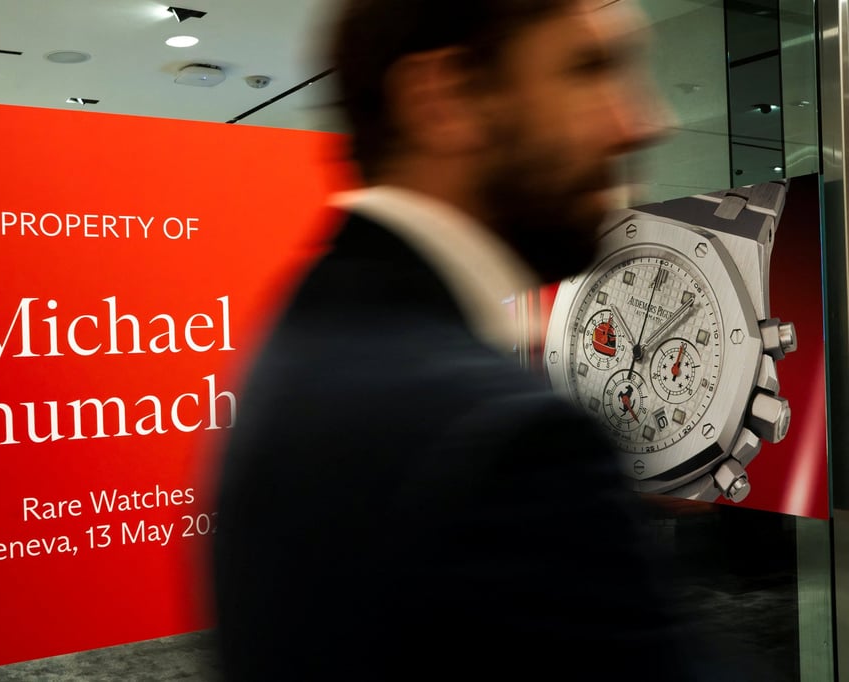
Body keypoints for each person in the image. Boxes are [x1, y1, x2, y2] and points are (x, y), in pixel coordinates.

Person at [210, 1, 735, 679]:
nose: (639, 122)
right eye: (586, 69)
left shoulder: (307, 337)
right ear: (446, 100)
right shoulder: (507, 436)